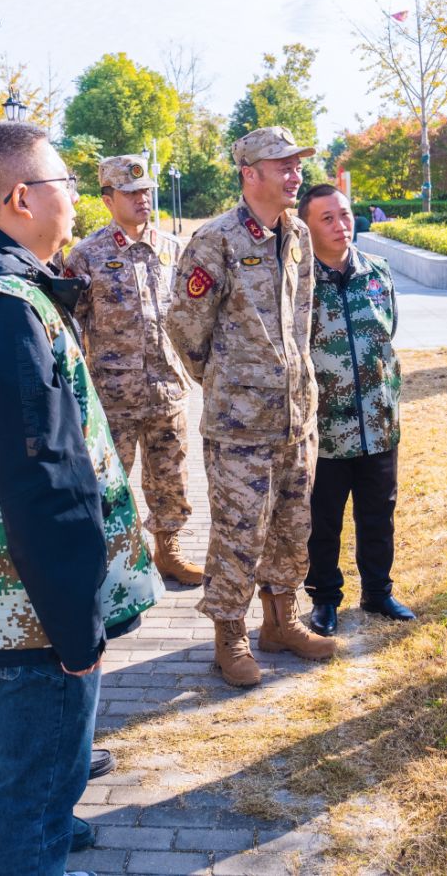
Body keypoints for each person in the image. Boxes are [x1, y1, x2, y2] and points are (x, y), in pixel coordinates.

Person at [0, 121, 160, 876]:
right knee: (36, 786)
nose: (76, 201)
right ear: (22, 197)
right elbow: (41, 477)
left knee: (10, 764)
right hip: (36, 607)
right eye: (66, 184)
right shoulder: (8, 306)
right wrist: (77, 623)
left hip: (8, 598)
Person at [166, 125, 335, 688]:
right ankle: (229, 635)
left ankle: (281, 621)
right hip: (239, 422)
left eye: (297, 164)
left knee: (293, 524)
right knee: (240, 531)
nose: (295, 174)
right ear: (250, 174)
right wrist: (224, 380)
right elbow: (186, 327)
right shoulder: (214, 241)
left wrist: (294, 377)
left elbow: (302, 318)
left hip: (295, 414)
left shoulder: (300, 236)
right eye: (282, 165)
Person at [64, 154, 202, 586]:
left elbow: (189, 317)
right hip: (113, 395)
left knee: (171, 479)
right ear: (108, 199)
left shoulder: (173, 250)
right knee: (110, 483)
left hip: (168, 390)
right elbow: (72, 324)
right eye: (131, 192)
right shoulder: (86, 256)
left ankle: (169, 551)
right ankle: (119, 564)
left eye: (146, 191)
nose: (142, 199)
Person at [297, 184, 414, 637]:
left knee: (378, 514)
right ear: (307, 227)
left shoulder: (377, 272)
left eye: (344, 214)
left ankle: (378, 592)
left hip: (379, 424)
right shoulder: (300, 282)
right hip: (325, 428)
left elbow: (389, 334)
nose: (340, 225)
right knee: (323, 520)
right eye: (326, 218)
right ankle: (324, 598)